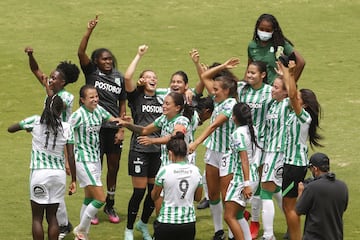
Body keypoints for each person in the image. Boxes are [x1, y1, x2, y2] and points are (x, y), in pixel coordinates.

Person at [24, 47, 80, 239]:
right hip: (50, 141)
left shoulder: (66, 97)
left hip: (62, 143)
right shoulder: (53, 89)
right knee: (53, 190)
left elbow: (55, 102)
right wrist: (31, 56)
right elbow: (36, 71)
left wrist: (66, 159)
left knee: (53, 190)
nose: (50, 79)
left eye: (54, 78)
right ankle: (63, 224)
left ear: (63, 82)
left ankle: (63, 225)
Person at [78, 16, 126, 224]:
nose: (107, 62)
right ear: (96, 61)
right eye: (103, 59)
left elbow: (123, 102)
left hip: (113, 127)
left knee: (113, 167)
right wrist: (89, 31)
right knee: (94, 167)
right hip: (95, 128)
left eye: (109, 59)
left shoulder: (119, 77)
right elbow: (80, 53)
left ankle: (110, 204)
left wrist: (122, 127)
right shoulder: (92, 73)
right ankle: (92, 204)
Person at [8, 95, 77, 240]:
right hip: (58, 176)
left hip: (39, 174)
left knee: (37, 218)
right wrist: (74, 181)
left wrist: (27, 127)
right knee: (52, 216)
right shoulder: (67, 127)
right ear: (60, 111)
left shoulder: (35, 121)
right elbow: (70, 156)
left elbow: (11, 129)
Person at [188, 57, 239, 240]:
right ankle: (219, 231)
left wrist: (195, 143)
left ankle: (233, 233)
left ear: (226, 90)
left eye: (217, 90)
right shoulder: (219, 100)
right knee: (213, 194)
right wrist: (223, 66)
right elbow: (205, 77)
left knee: (227, 196)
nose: (213, 93)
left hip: (227, 154)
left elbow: (213, 126)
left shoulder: (231, 105)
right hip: (213, 152)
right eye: (214, 89)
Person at [68, 85, 122, 240]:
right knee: (100, 199)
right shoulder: (77, 116)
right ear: (82, 100)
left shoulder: (98, 109)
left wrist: (122, 122)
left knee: (89, 198)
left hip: (95, 159)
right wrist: (67, 162)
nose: (95, 99)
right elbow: (67, 138)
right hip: (83, 159)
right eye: (91, 97)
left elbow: (112, 119)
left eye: (96, 96)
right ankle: (81, 230)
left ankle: (82, 235)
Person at [278, 60, 323, 240]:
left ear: (303, 105)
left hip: (294, 165)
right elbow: (291, 94)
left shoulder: (303, 117)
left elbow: (291, 94)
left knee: (290, 207)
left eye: (298, 99)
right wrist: (285, 74)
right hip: (293, 164)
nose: (294, 99)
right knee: (288, 205)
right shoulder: (295, 114)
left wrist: (289, 73)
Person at [123, 45, 163, 240]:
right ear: (142, 80)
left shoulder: (162, 101)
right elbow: (127, 78)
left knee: (153, 193)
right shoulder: (137, 97)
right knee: (138, 192)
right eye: (148, 76)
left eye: (154, 77)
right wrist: (138, 55)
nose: (153, 79)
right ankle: (129, 229)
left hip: (156, 151)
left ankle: (143, 224)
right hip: (139, 149)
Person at [238, 61, 273, 239]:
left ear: (263, 75)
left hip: (262, 145)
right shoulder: (242, 89)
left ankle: (255, 221)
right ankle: (244, 212)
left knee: (258, 183)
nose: (249, 75)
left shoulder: (269, 92)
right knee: (245, 180)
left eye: (253, 73)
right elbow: (220, 88)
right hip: (244, 143)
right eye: (248, 72)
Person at [151, 132, 203, 240]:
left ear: (170, 153)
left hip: (167, 222)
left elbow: (154, 196)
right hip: (188, 222)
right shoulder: (196, 171)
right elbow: (198, 198)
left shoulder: (164, 171)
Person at [224, 102, 261, 240]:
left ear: (235, 117)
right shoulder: (253, 129)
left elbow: (244, 159)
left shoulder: (238, 134)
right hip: (253, 175)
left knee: (229, 215)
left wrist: (246, 183)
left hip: (242, 178)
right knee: (238, 215)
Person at [260, 76, 290, 240]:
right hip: (270, 152)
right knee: (276, 189)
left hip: (278, 152)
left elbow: (294, 94)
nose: (272, 89)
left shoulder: (286, 105)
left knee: (266, 191)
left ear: (285, 92)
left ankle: (268, 235)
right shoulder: (273, 105)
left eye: (277, 87)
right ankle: (292, 224)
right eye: (273, 86)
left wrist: (289, 74)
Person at [296, 153, 348, 240]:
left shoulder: (312, 187)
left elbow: (299, 210)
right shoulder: (342, 186)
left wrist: (301, 193)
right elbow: (343, 208)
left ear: (315, 169)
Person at [246, 13, 305, 85]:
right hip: (259, 89)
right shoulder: (252, 46)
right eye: (261, 29)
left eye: (268, 30)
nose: (264, 32)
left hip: (276, 90)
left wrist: (290, 84)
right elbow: (249, 68)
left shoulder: (280, 43)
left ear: (273, 31)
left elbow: (301, 62)